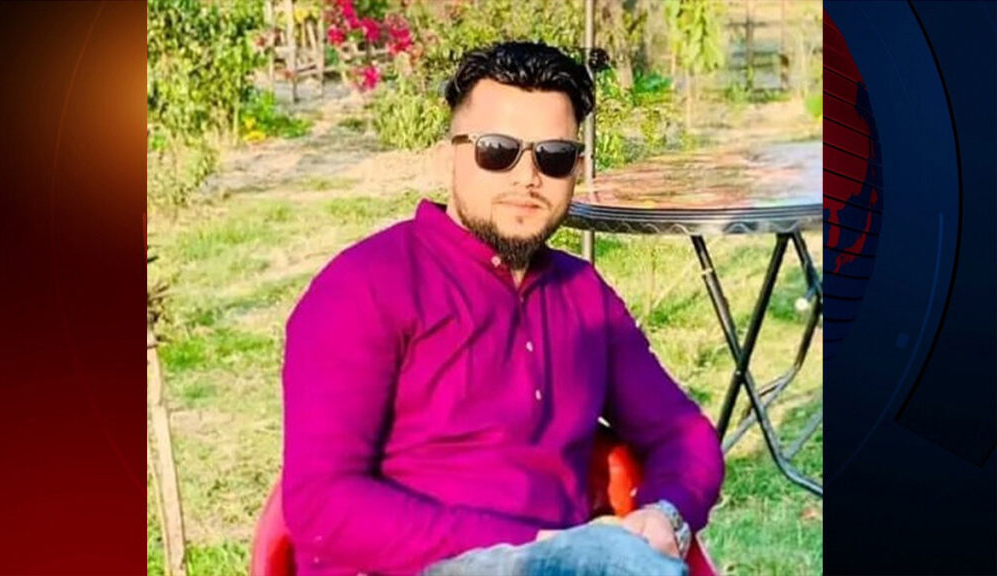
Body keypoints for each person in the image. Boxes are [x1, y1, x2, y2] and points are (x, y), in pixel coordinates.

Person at [281, 41, 724, 576]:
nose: (527, 177)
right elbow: (322, 505)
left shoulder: (583, 295)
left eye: (553, 157)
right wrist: (536, 546)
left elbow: (683, 434)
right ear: (447, 157)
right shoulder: (365, 286)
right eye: (498, 151)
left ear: (577, 170)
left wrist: (667, 515)